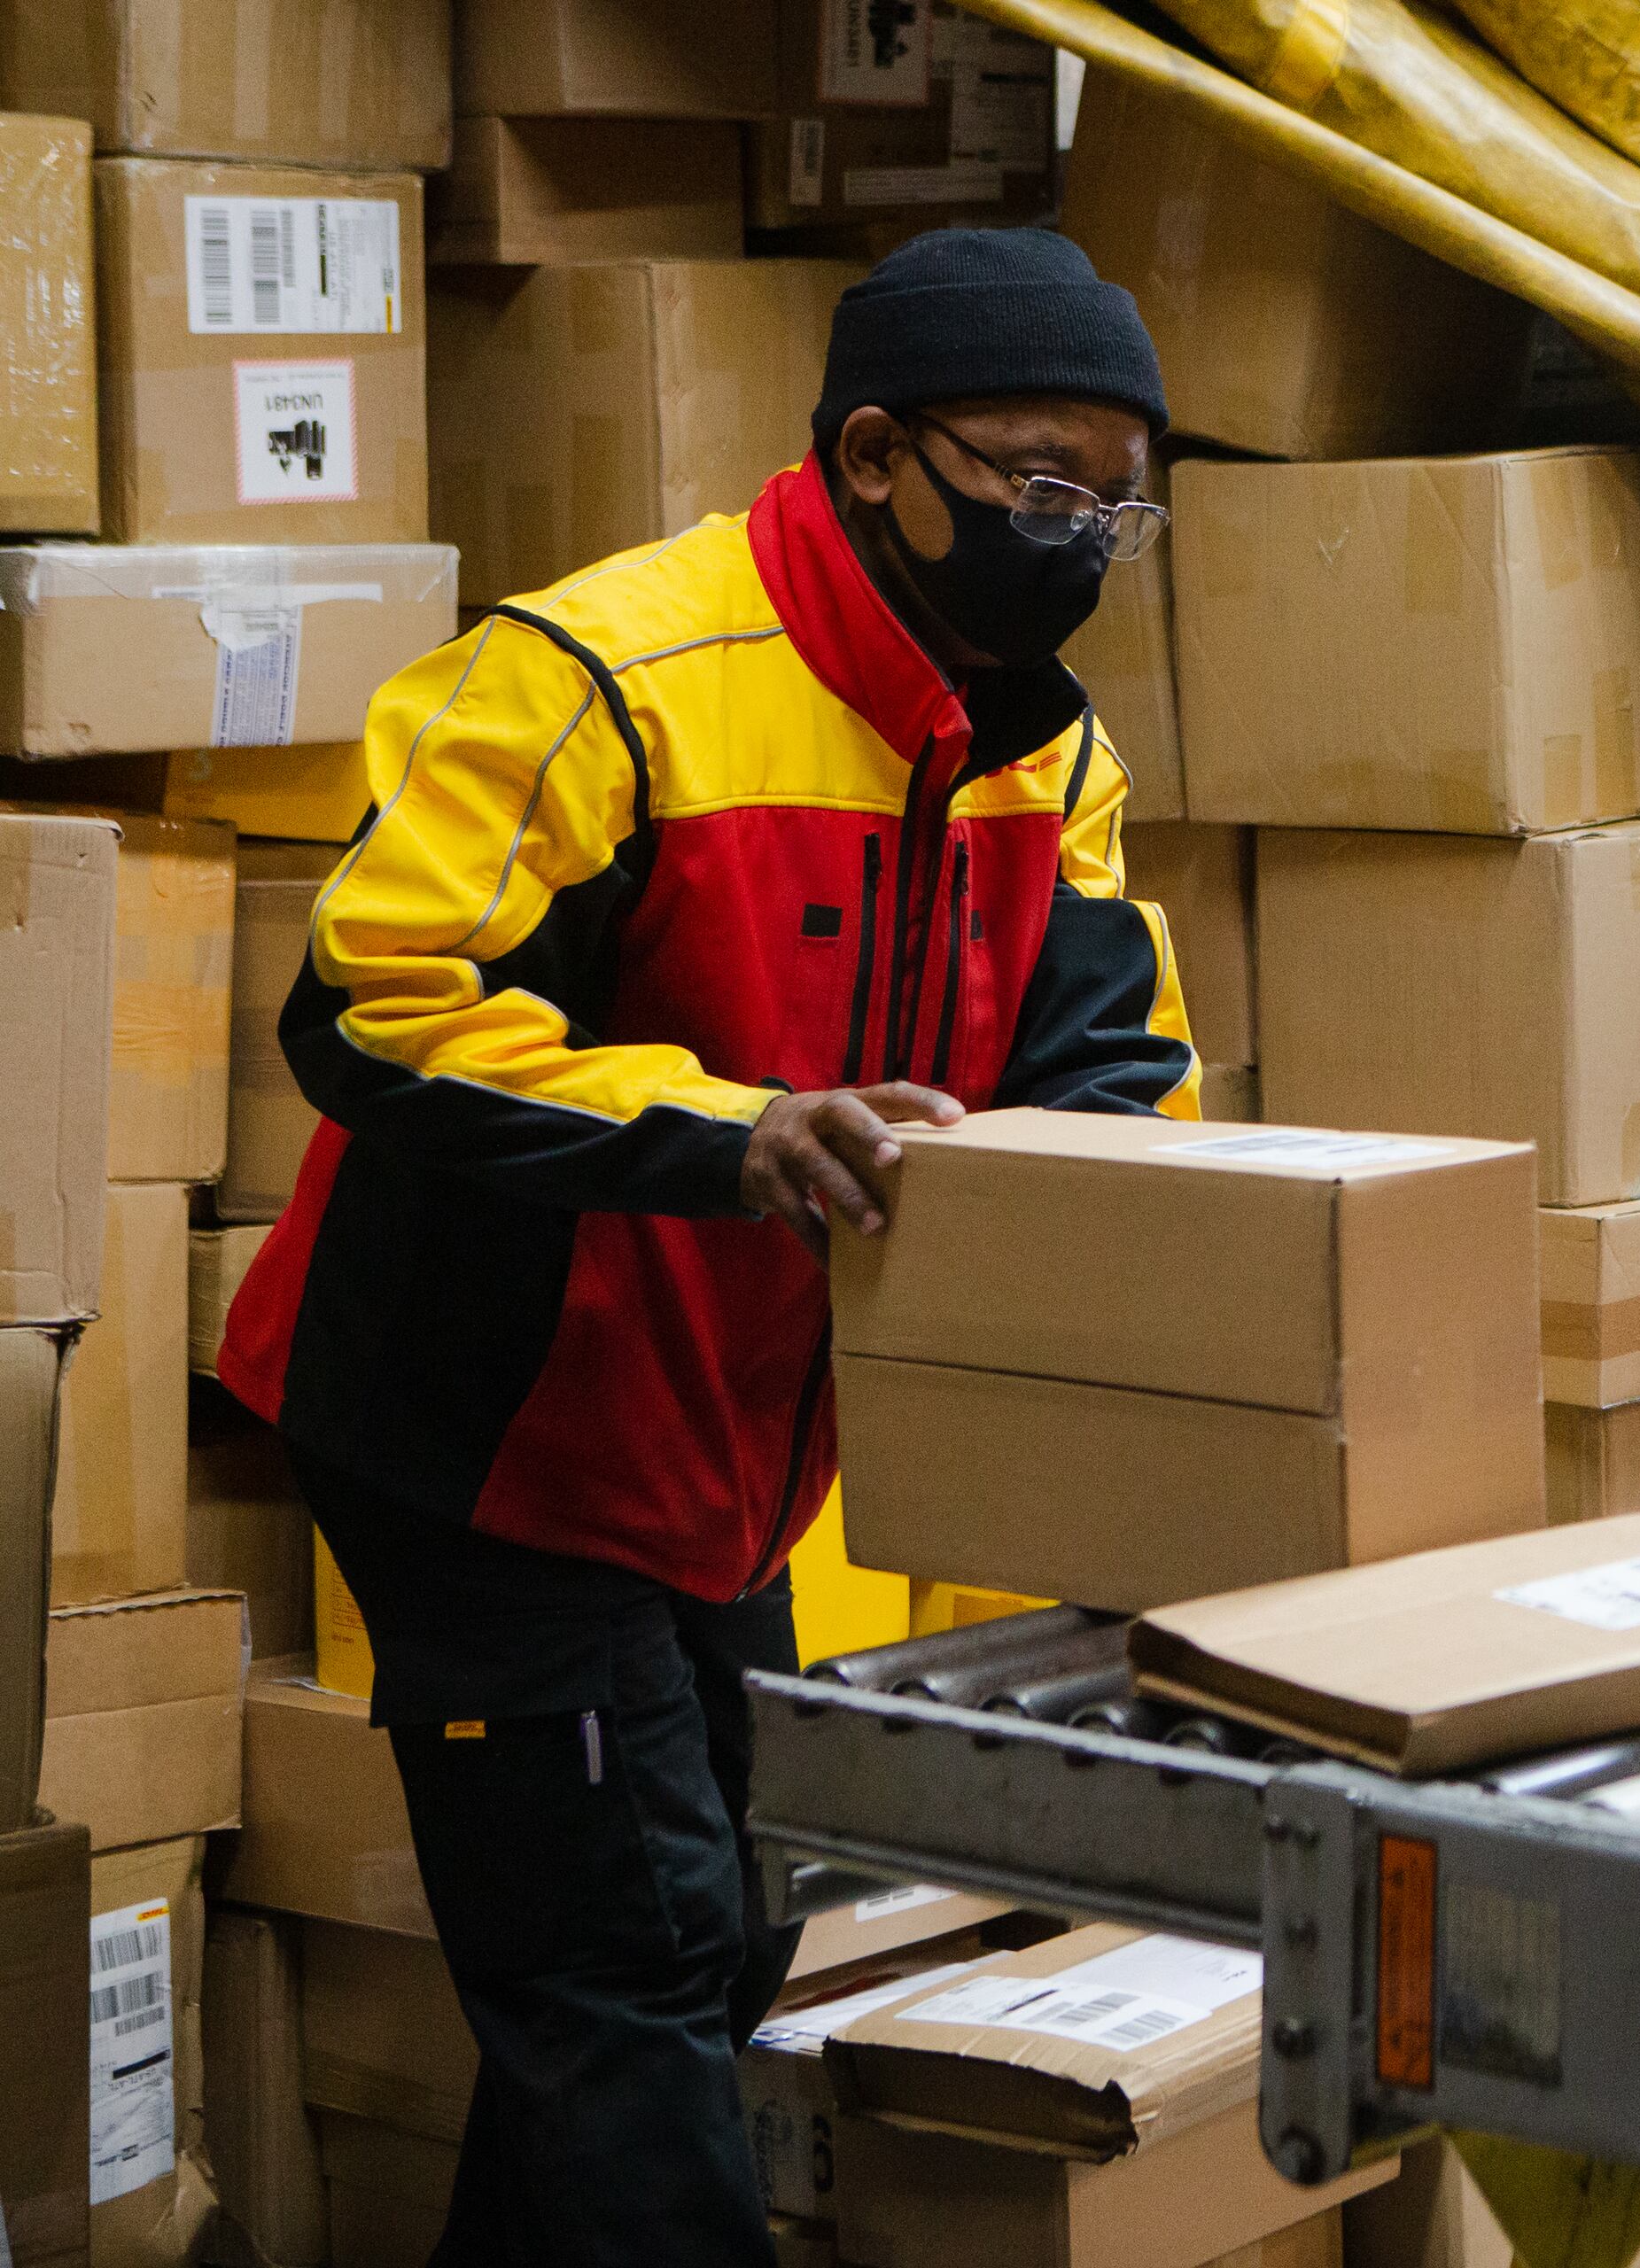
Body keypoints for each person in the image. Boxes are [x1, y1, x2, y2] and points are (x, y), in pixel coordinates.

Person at [214, 228, 1197, 2267]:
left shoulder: (1051, 753)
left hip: (730, 1442)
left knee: (717, 1925)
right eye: (1038, 485)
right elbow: (370, 1004)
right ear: (867, 455)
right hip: (486, 1429)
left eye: (1116, 500)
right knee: (630, 1950)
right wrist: (730, 1129)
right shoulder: (606, 675)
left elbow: (1116, 1056)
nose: (1081, 539)